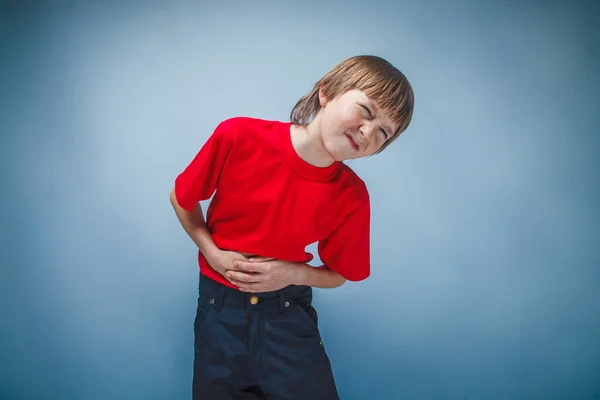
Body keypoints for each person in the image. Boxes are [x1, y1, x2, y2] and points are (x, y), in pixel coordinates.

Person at [170, 55, 414, 400]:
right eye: (367, 111)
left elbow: (339, 273)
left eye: (383, 133)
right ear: (327, 92)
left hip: (286, 315)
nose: (368, 132)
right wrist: (213, 254)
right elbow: (181, 198)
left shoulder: (352, 196)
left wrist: (292, 273)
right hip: (219, 311)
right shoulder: (238, 135)